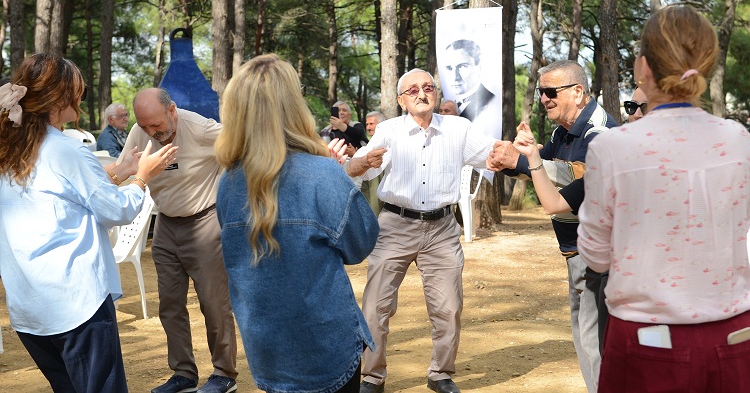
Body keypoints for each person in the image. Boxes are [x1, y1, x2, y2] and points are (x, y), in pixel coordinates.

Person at [578, 5, 750, 391]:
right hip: (734, 335)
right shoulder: (738, 139)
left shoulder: (614, 147)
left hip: (646, 339)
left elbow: (595, 256)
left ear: (642, 67)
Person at [0, 53, 177, 393]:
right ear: (62, 97)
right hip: (76, 306)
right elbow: (117, 211)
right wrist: (142, 177)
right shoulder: (67, 151)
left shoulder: (11, 150)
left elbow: (57, 196)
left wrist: (118, 172)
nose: (81, 97)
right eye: (77, 90)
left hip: (30, 309)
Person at [214, 54, 379, 393]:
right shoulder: (322, 174)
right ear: (294, 105)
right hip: (326, 350)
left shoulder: (228, 183)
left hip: (267, 353)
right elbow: (360, 244)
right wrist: (335, 173)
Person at [347, 68, 496, 393]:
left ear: (436, 94)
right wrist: (363, 162)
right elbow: (353, 170)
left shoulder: (459, 128)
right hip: (394, 226)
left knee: (449, 307)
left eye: (427, 87)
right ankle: (372, 377)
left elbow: (493, 155)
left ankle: (440, 374)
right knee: (375, 306)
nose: (421, 93)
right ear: (401, 100)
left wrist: (522, 152)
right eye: (412, 90)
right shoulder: (388, 130)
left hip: (442, 228)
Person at [486, 60, 618, 392]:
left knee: (595, 341)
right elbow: (543, 168)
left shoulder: (599, 132)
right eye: (540, 92)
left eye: (550, 91)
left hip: (599, 255)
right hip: (576, 252)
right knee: (585, 337)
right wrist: (511, 161)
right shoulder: (563, 131)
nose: (543, 98)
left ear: (577, 92)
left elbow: (580, 176)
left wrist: (521, 161)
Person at [122, 88, 238, 393]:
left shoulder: (199, 128)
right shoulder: (139, 132)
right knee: (170, 305)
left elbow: (242, 145)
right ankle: (184, 373)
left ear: (172, 110)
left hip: (205, 221)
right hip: (165, 224)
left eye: (156, 125)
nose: (151, 133)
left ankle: (224, 373)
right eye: (144, 126)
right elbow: (125, 170)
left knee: (214, 303)